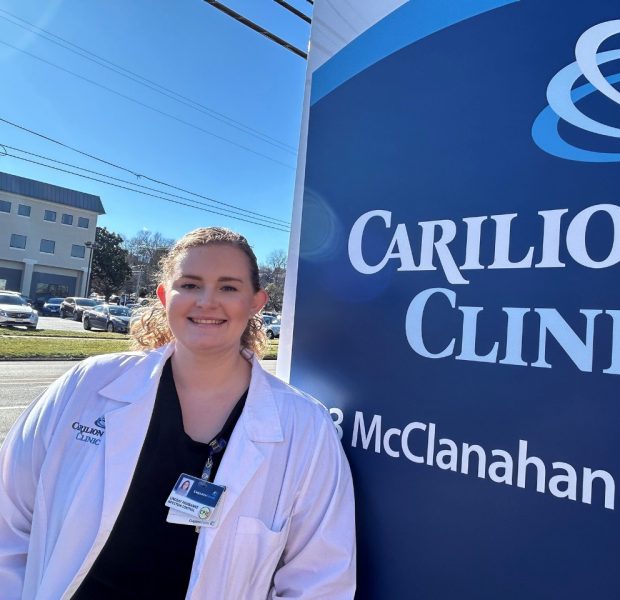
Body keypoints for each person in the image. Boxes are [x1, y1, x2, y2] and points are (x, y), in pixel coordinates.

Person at [0, 227, 356, 599]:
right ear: (164, 295)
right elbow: (9, 520)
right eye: (189, 284)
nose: (207, 301)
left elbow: (320, 580)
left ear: (256, 303)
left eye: (229, 287)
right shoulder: (89, 385)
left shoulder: (305, 427)